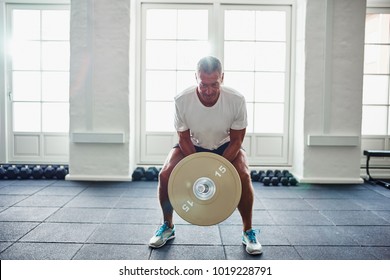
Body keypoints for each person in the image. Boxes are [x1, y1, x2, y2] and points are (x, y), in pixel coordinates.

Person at [148, 56, 262, 255]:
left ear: (222, 78)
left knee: (243, 175)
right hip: (194, 145)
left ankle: (248, 231)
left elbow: (237, 140)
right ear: (196, 78)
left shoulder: (236, 100)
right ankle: (167, 226)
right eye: (203, 84)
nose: (208, 90)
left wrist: (219, 169)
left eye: (214, 84)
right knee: (165, 175)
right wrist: (198, 168)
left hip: (226, 146)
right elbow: (183, 138)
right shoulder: (182, 100)